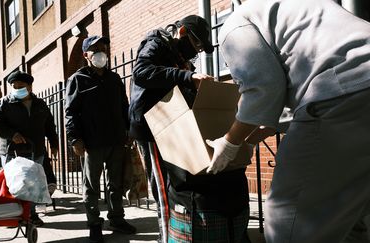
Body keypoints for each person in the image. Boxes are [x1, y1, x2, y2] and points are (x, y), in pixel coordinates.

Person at [215, 0, 370, 242]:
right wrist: (247, 142)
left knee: (287, 217)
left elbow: (262, 88)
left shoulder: (237, 22)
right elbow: (279, 107)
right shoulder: (301, 7)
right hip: (355, 89)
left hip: (344, 91)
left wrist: (229, 141)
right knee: (346, 213)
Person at [129, 15, 251, 242]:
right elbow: (141, 73)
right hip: (152, 127)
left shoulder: (179, 56)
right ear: (182, 31)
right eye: (195, 45)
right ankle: (166, 236)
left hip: (173, 126)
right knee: (164, 190)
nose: (194, 53)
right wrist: (188, 76)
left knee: (175, 186)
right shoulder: (156, 42)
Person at [64, 35, 136, 243]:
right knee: (92, 186)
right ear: (86, 55)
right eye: (94, 49)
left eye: (102, 48)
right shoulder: (78, 79)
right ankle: (94, 224)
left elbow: (124, 106)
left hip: (116, 139)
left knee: (116, 183)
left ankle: (116, 218)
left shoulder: (114, 79)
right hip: (92, 142)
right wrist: (74, 139)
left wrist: (128, 130)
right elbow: (71, 112)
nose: (100, 52)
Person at [0, 70, 59, 227]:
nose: (17, 88)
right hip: (12, 151)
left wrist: (54, 143)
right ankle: (13, 216)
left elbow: (49, 126)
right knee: (14, 184)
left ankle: (31, 215)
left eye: (21, 86)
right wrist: (12, 134)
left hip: (36, 150)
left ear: (30, 87)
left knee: (33, 184)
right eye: (14, 86)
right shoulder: (4, 103)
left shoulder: (40, 104)